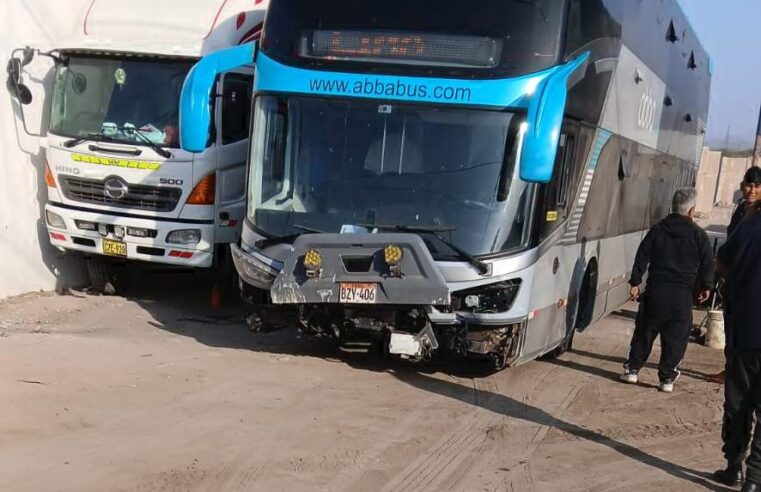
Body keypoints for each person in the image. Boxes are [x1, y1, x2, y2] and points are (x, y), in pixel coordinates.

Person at [621, 188, 713, 392]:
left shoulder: (658, 230)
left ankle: (633, 370)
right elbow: (708, 262)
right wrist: (706, 286)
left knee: (645, 332)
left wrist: (635, 282)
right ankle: (667, 379)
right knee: (676, 338)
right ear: (691, 211)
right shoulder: (699, 235)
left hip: (656, 291)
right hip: (682, 295)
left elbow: (642, 255)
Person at [712, 200, 761, 490]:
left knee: (738, 401)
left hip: (743, 329)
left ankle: (733, 466)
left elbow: (721, 260)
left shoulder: (749, 225)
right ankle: (754, 479)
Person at [707, 167, 761, 386]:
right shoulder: (741, 211)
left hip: (752, 283)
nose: (752, 190)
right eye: (749, 185)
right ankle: (730, 368)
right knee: (732, 329)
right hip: (734, 282)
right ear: (742, 186)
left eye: (757, 186)